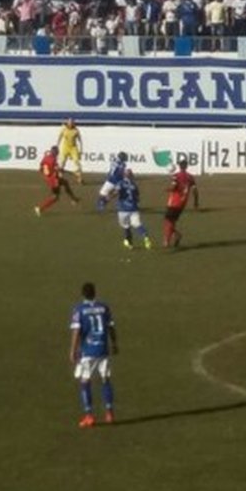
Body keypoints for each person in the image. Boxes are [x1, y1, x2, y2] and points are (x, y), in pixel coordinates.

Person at [70, 282, 118, 428]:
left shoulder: (79, 309)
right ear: (95, 292)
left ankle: (89, 416)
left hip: (88, 352)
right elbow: (111, 327)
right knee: (105, 379)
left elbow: (76, 331)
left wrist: (73, 350)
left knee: (85, 382)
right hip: (103, 350)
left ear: (83, 294)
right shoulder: (104, 307)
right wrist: (114, 343)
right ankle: (109, 413)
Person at [163, 159, 199, 248]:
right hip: (183, 203)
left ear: (179, 166)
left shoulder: (176, 176)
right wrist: (196, 202)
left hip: (174, 202)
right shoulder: (191, 177)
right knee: (172, 221)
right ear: (186, 166)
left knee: (168, 221)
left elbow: (174, 187)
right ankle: (176, 236)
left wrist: (168, 189)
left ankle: (167, 241)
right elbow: (195, 191)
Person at [35, 146, 78, 216]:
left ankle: (73, 199)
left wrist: (47, 174)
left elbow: (40, 168)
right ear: (55, 153)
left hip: (50, 178)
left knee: (65, 182)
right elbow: (59, 169)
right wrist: (72, 173)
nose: (58, 154)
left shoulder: (45, 157)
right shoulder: (53, 159)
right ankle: (39, 208)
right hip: (53, 180)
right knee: (55, 197)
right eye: (57, 152)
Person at [115, 168, 152, 250]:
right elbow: (138, 198)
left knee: (126, 226)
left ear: (124, 175)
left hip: (123, 209)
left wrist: (109, 197)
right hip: (134, 208)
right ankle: (145, 237)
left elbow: (117, 192)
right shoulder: (134, 185)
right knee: (138, 225)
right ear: (131, 176)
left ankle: (130, 244)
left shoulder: (120, 183)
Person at [56, 118, 84, 184]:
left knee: (77, 162)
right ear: (67, 122)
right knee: (62, 162)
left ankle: (79, 178)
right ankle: (60, 177)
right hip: (65, 147)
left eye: (72, 122)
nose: (71, 123)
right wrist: (57, 146)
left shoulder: (76, 130)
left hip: (73, 148)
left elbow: (80, 141)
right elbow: (59, 138)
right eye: (69, 122)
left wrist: (81, 150)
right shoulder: (64, 129)